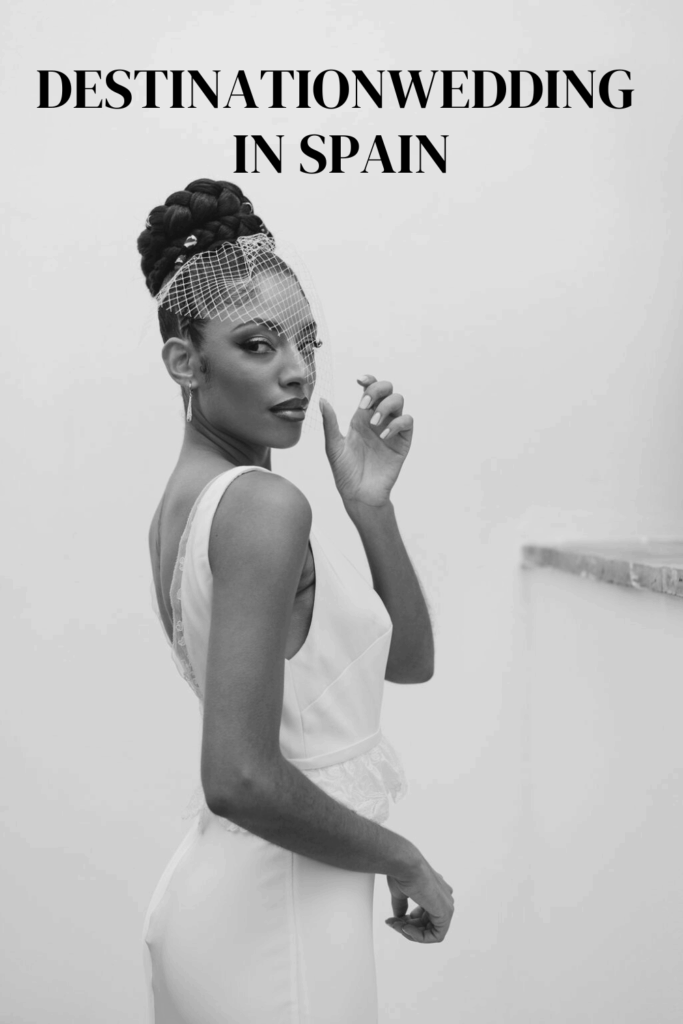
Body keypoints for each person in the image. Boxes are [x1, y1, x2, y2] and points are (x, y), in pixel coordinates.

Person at [138, 178, 454, 1024]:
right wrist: (403, 856)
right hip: (272, 920)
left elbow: (407, 663)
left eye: (307, 342)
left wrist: (369, 509)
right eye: (257, 344)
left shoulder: (189, 503)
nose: (298, 371)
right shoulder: (262, 507)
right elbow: (238, 776)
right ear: (184, 362)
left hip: (257, 904)